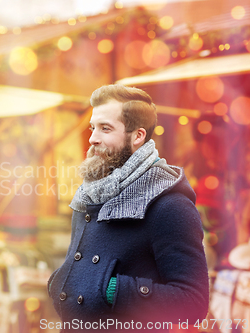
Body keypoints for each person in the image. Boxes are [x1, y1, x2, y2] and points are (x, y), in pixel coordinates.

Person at [47, 84, 209, 332]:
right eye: (93, 128)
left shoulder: (170, 204)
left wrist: (111, 290)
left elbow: (193, 303)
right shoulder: (89, 195)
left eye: (105, 128)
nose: (92, 138)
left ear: (137, 136)